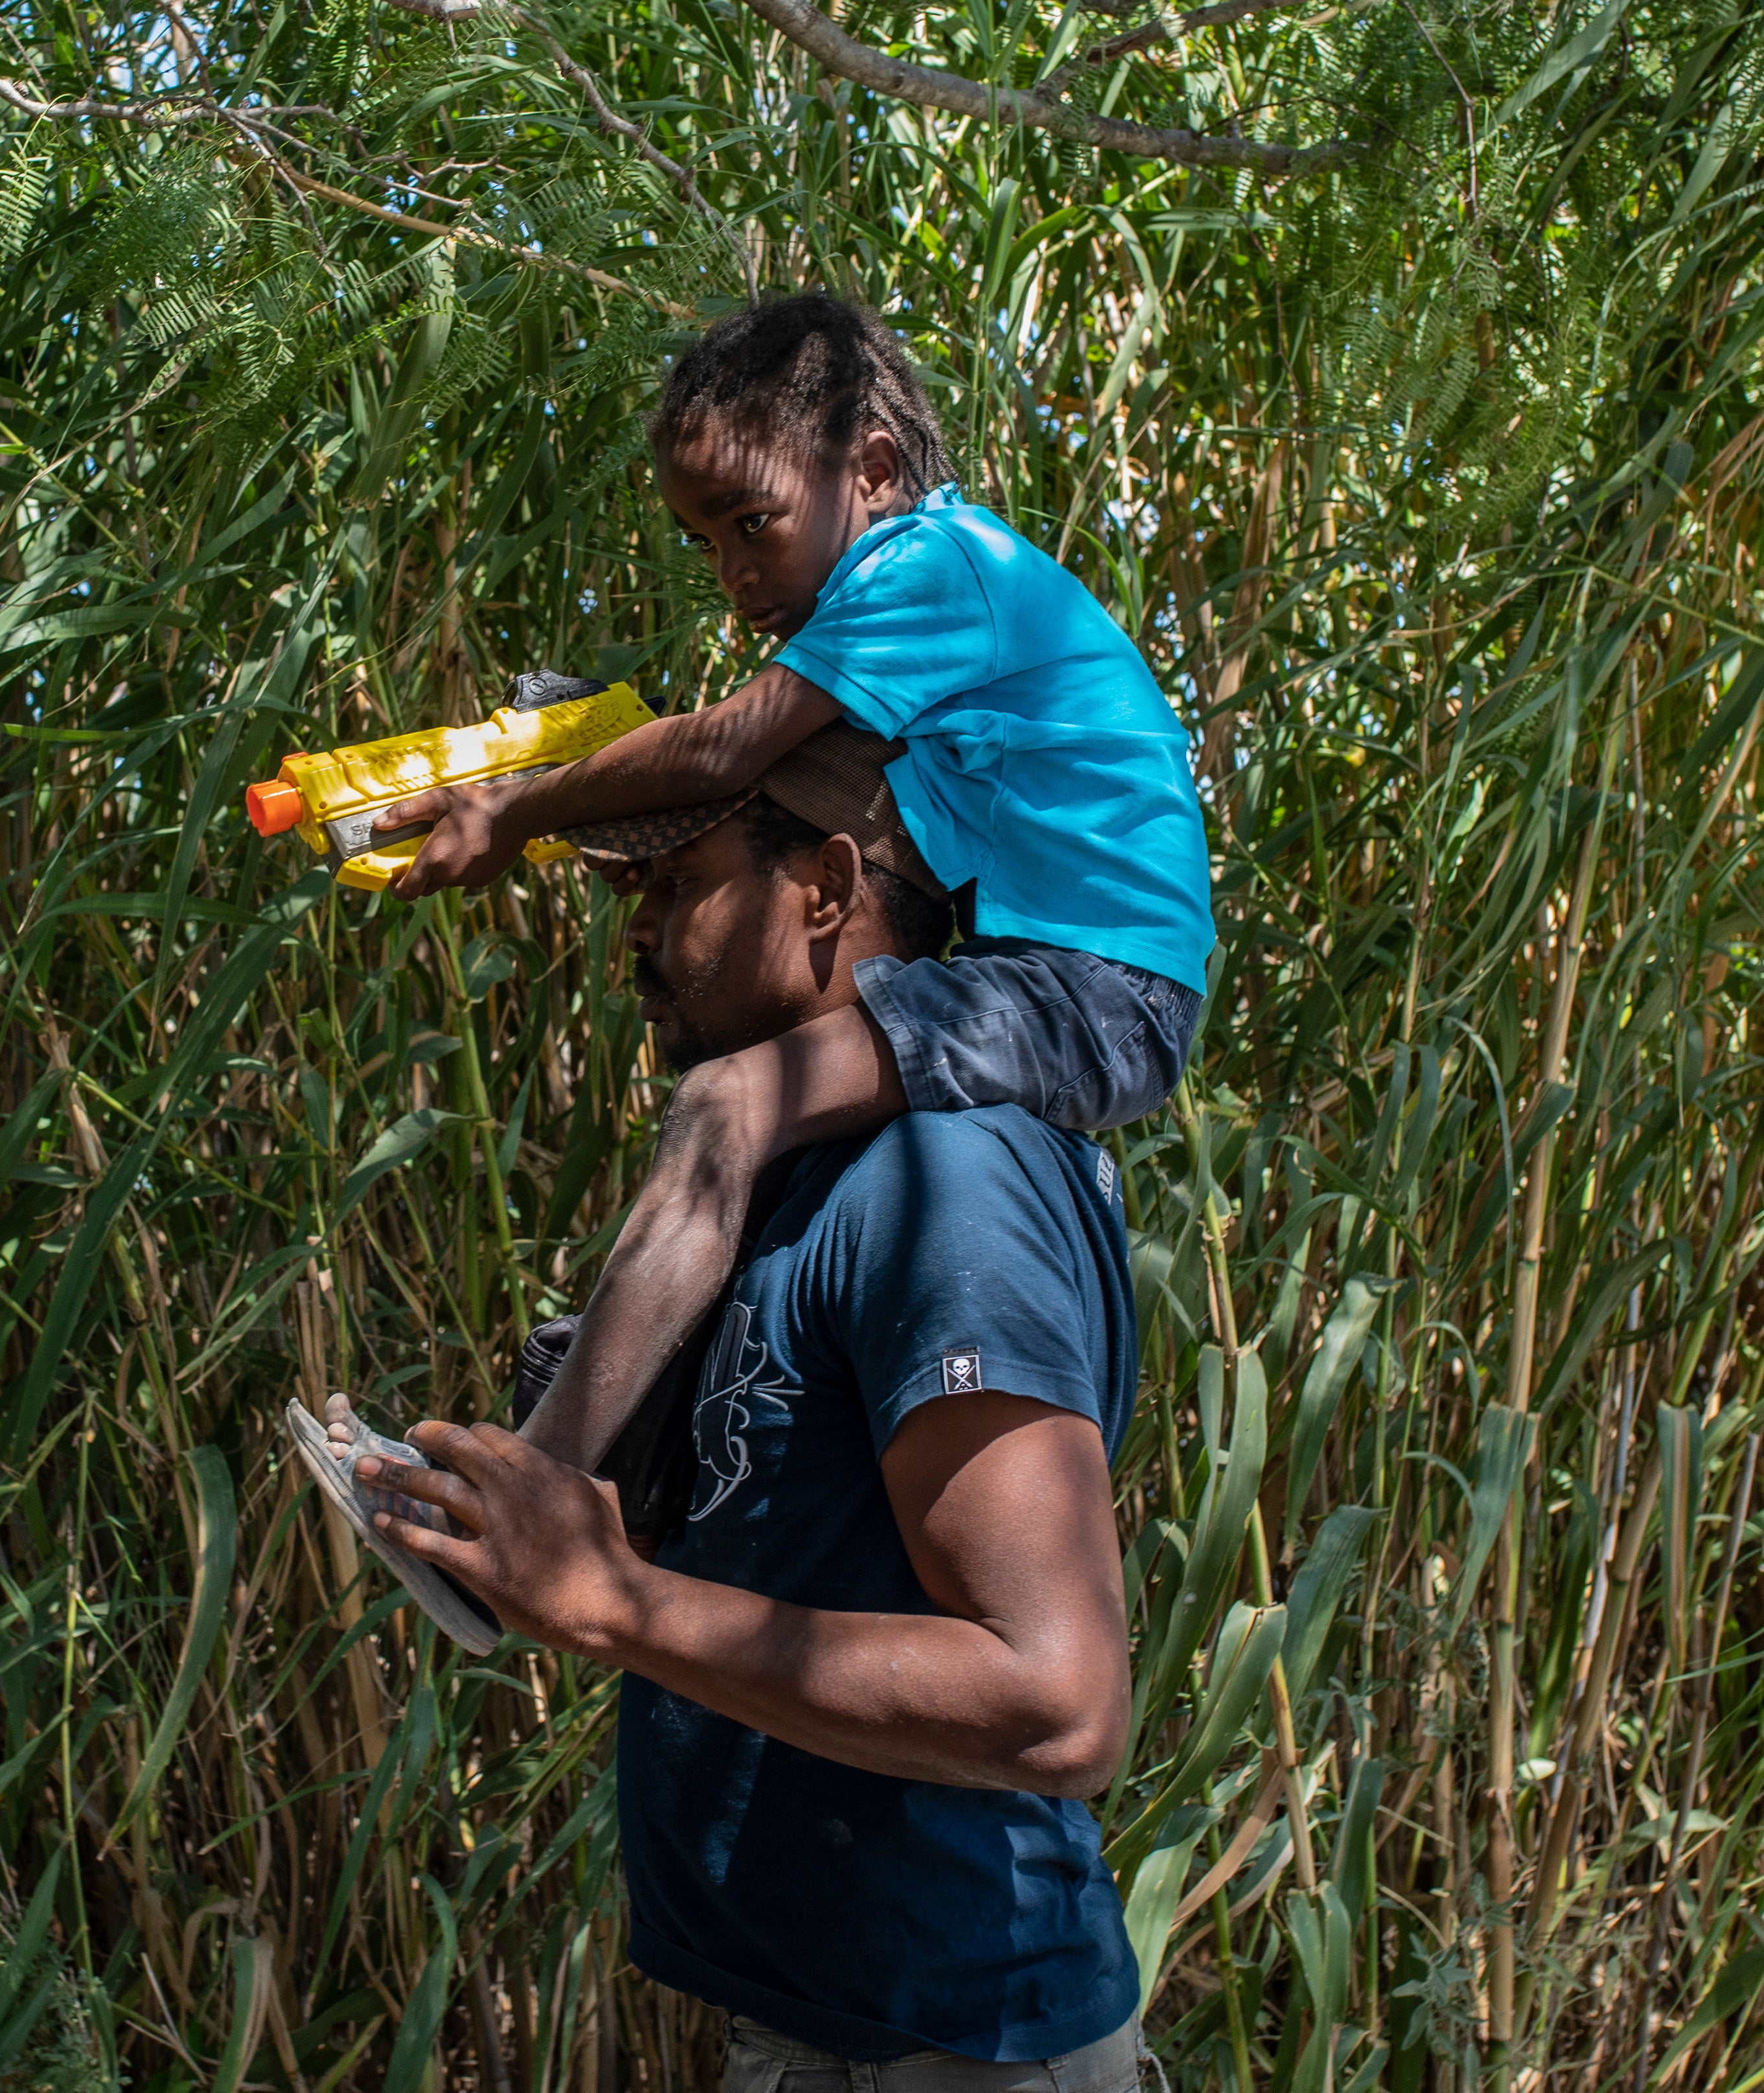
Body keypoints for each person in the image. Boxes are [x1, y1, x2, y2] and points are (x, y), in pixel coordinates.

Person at [349, 744, 1150, 2086]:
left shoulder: (946, 1180)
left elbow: (1056, 1705)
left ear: (828, 887)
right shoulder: (798, 1171)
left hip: (952, 2048)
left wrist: (614, 1601)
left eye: (678, 880)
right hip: (818, 2029)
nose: (638, 930)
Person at [372, 288, 1208, 1490]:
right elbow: (758, 792)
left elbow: (724, 751)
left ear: (869, 468)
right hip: (1051, 969)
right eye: (703, 542)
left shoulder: (935, 568)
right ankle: (623, 1457)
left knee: (728, 1109)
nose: (732, 572)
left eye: (748, 523)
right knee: (766, 1149)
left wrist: (513, 810)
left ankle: (532, 1496)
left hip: (1091, 988)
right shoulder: (931, 597)